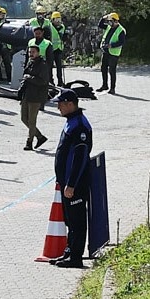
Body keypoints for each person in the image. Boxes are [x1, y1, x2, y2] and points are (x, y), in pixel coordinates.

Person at [51, 88, 93, 268]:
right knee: (69, 219)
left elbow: (80, 158)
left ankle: (76, 257)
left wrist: (71, 184)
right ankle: (69, 251)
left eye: (60, 104)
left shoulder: (80, 126)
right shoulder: (71, 122)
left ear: (70, 104)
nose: (58, 107)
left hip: (75, 184)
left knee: (77, 221)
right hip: (66, 182)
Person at [19, 39, 53, 150]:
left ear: (38, 53)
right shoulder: (30, 63)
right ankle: (40, 136)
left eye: (33, 52)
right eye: (29, 52)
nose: (31, 54)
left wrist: (29, 78)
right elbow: (25, 76)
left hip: (36, 96)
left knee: (32, 121)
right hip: (27, 94)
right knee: (24, 118)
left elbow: (43, 81)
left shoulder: (42, 65)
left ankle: (29, 142)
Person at [98, 12, 126, 94]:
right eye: (108, 21)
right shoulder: (109, 27)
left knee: (112, 70)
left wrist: (111, 45)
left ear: (115, 21)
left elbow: (121, 42)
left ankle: (112, 88)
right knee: (103, 68)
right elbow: (100, 25)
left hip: (114, 53)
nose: (109, 23)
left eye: (110, 21)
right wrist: (104, 17)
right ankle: (104, 85)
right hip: (106, 51)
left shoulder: (121, 30)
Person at [48, 10, 68, 84]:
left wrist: (65, 37)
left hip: (59, 49)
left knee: (59, 66)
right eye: (56, 19)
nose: (58, 21)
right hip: (51, 49)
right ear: (52, 20)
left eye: (59, 19)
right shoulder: (49, 27)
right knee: (50, 66)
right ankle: (51, 81)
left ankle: (60, 81)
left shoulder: (62, 27)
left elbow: (64, 37)